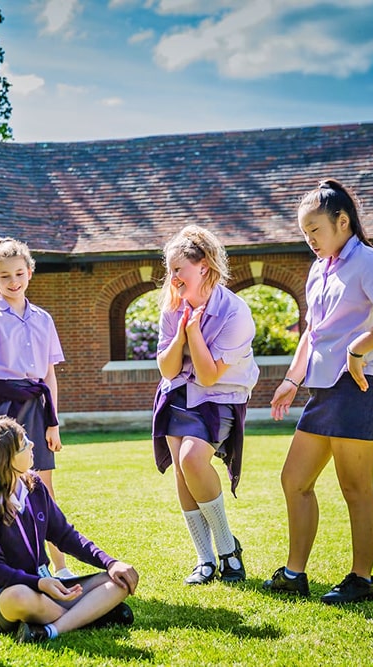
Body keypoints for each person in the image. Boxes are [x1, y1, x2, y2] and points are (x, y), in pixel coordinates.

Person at [265, 179, 373, 604]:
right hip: (322, 391)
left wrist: (358, 347)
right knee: (294, 480)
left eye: (315, 229)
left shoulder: (368, 261)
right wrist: (291, 381)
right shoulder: (320, 269)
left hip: (359, 386)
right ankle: (295, 573)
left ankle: (361, 580)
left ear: (342, 221)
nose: (309, 239)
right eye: (304, 233)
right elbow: (313, 332)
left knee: (355, 488)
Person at [0, 417, 139, 643]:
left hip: (45, 587)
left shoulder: (35, 486)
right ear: (4, 460)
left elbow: (66, 536)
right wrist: (38, 584)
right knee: (21, 596)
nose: (32, 445)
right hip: (2, 596)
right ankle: (90, 617)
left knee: (122, 580)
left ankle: (51, 629)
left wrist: (110, 563)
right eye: (24, 444)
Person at [0, 237, 73, 587]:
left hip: (37, 407)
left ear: (30, 272)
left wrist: (54, 423)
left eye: (19, 273)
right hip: (1, 409)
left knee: (43, 488)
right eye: (4, 276)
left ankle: (58, 565)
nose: (13, 281)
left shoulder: (44, 318)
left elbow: (48, 374)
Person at [152, 225, 260, 586]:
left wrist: (194, 333)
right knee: (184, 474)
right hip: (178, 393)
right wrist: (181, 331)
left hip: (220, 395)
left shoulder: (235, 313)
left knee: (191, 459)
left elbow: (211, 375)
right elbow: (167, 368)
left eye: (178, 269)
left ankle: (228, 550)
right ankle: (205, 559)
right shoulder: (172, 306)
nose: (173, 277)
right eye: (170, 269)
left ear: (204, 267)